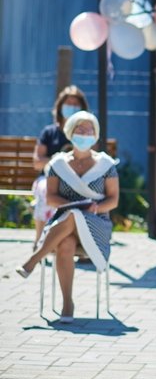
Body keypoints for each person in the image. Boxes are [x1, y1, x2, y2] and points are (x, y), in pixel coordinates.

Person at [16, 111, 119, 323]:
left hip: (97, 223)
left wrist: (93, 209)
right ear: (70, 133)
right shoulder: (57, 164)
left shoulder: (106, 165)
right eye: (80, 129)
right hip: (63, 224)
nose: (85, 133)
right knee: (66, 243)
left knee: (75, 214)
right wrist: (73, 206)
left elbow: (113, 200)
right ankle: (67, 304)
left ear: (95, 134)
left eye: (89, 130)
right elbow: (51, 198)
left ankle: (34, 259)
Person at [32, 85, 90, 246]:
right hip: (48, 178)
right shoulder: (49, 132)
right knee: (46, 192)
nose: (71, 107)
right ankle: (40, 240)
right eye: (68, 103)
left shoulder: (86, 134)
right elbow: (37, 162)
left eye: (75, 104)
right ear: (60, 106)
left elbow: (91, 160)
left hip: (77, 180)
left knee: (88, 194)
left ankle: (84, 242)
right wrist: (59, 161)